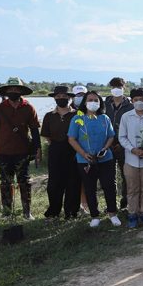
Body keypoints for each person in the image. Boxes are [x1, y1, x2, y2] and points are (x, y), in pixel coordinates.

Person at [0, 77, 41, 220]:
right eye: (11, 89)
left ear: (21, 91)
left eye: (16, 89)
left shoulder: (29, 108)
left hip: (22, 152)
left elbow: (34, 131)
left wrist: (38, 149)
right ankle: (7, 213)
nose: (13, 91)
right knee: (5, 183)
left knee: (24, 182)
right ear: (6, 91)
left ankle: (27, 212)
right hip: (2, 152)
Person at [67, 91, 118, 228]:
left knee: (109, 186)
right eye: (90, 100)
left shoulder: (104, 118)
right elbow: (72, 139)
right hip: (85, 160)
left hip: (105, 159)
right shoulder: (78, 118)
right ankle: (95, 215)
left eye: (96, 100)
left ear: (100, 103)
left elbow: (111, 136)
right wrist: (83, 153)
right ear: (84, 102)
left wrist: (105, 148)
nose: (93, 102)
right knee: (90, 188)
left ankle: (112, 213)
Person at [118, 88, 143, 228]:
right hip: (131, 160)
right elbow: (122, 137)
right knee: (132, 189)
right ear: (132, 101)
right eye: (136, 100)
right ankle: (132, 214)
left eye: (142, 99)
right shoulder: (126, 117)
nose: (139, 102)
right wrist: (132, 149)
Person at [41, 86, 80, 219]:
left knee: (73, 182)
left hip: (74, 150)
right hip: (55, 150)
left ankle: (71, 212)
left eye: (64, 96)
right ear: (54, 98)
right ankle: (53, 212)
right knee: (54, 183)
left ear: (70, 98)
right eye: (58, 97)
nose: (61, 99)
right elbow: (47, 136)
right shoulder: (49, 116)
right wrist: (57, 145)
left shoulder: (78, 115)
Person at [105, 77, 133, 211]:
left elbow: (132, 127)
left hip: (124, 145)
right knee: (109, 176)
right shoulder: (104, 104)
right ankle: (111, 204)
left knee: (126, 174)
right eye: (114, 87)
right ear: (110, 88)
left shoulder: (130, 106)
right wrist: (107, 143)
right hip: (107, 145)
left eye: (119, 87)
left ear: (124, 88)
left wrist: (123, 143)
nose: (116, 89)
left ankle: (125, 201)